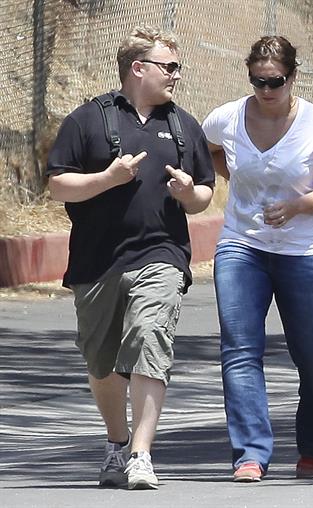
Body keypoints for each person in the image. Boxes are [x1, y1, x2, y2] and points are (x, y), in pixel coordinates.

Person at [46, 25, 215, 489]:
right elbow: (57, 183)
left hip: (161, 253)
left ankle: (141, 453)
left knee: (149, 335)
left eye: (177, 67)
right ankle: (117, 444)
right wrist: (106, 179)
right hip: (97, 262)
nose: (176, 76)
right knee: (101, 362)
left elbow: (205, 192)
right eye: (169, 66)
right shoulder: (88, 119)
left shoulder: (183, 125)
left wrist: (188, 193)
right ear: (138, 69)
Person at [202, 35, 313, 482]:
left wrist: (300, 205)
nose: (266, 91)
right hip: (241, 245)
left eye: (275, 82)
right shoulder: (227, 118)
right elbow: (209, 149)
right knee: (240, 350)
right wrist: (237, 179)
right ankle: (250, 453)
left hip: (303, 252)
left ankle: (312, 446)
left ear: (293, 77)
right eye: (258, 81)